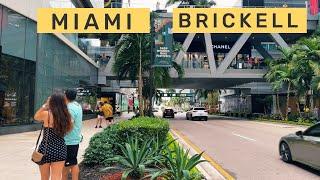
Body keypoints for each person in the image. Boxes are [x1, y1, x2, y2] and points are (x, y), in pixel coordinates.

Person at [34, 93, 72, 180]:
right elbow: (68, 130)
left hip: (45, 149)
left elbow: (36, 117)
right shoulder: (66, 116)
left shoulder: (46, 114)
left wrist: (45, 105)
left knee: (44, 177)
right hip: (60, 149)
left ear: (52, 102)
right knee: (57, 177)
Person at [62, 89, 83, 180]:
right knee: (70, 162)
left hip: (68, 140)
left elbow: (69, 124)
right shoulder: (77, 105)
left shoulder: (69, 108)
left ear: (66, 96)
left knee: (70, 163)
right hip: (74, 139)